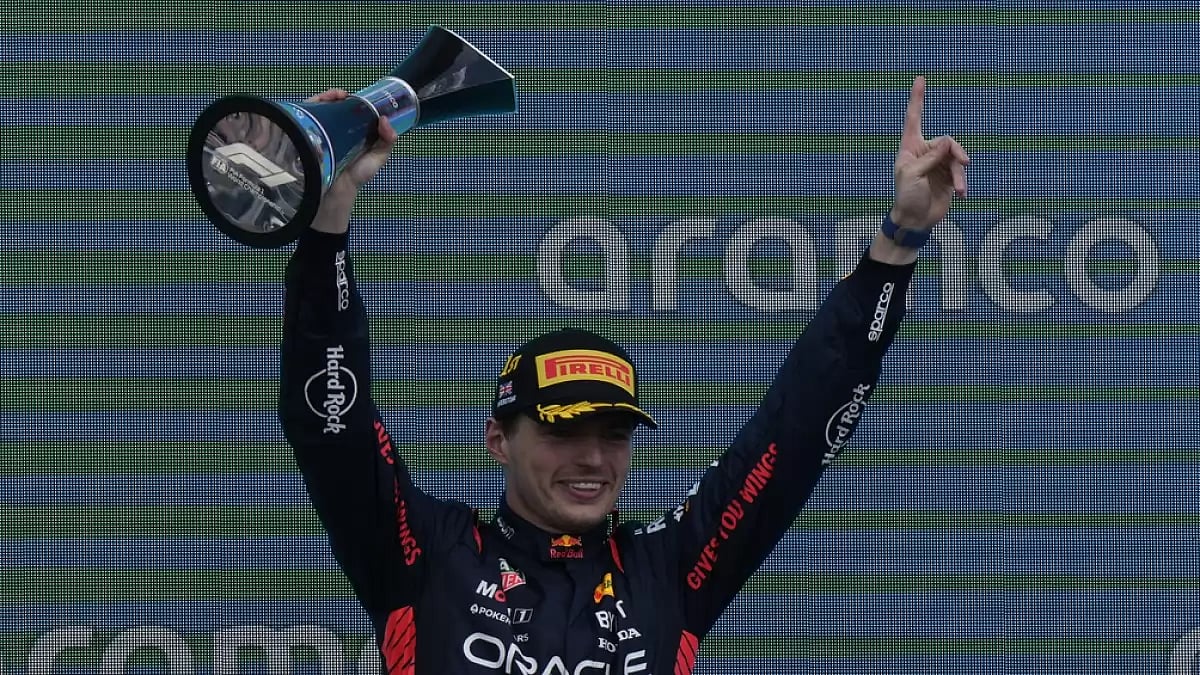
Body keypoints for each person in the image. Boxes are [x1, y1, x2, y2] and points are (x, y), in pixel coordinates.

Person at [278, 75, 969, 674]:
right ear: (498, 438)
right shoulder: (425, 556)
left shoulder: (667, 569)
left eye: (614, 431)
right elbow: (330, 424)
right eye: (562, 428)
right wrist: (329, 216)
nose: (592, 456)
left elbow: (793, 432)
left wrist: (898, 241)